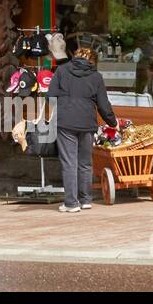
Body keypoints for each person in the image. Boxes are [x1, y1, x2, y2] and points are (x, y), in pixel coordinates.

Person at [47, 46, 118, 213]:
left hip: (66, 123)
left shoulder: (62, 71)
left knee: (69, 163)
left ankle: (71, 203)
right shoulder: (96, 77)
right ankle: (85, 200)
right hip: (87, 123)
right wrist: (112, 122)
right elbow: (103, 104)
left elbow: (50, 96)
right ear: (92, 60)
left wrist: (62, 107)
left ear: (76, 56)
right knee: (85, 163)